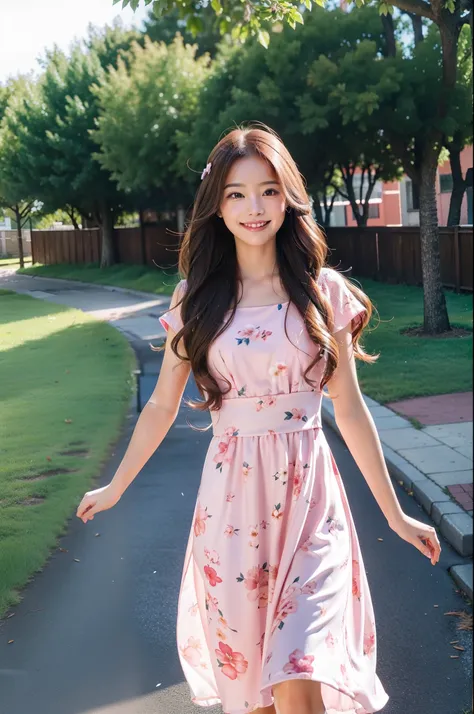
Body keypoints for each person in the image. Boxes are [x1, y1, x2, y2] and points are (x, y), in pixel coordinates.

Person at [76, 123, 441, 714]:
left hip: (311, 502)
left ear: (287, 196)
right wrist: (116, 486)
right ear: (217, 206)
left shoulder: (324, 291)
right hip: (232, 511)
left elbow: (346, 406)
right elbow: (163, 404)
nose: (254, 207)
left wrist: (396, 515)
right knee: (258, 696)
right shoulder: (194, 298)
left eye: (269, 190)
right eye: (237, 194)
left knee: (303, 666)